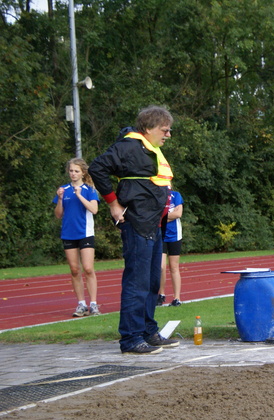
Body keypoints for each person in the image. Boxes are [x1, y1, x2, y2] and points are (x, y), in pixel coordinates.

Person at [89, 105, 180, 354]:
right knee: (137, 282)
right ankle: (130, 338)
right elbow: (97, 168)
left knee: (152, 282)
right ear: (149, 128)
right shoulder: (128, 146)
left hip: (154, 223)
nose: (168, 135)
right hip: (137, 222)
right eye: (165, 130)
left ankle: (148, 331)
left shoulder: (151, 150)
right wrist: (113, 204)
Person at [53, 158, 100, 317]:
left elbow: (94, 210)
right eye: (71, 171)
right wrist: (59, 199)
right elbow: (58, 215)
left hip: (85, 233)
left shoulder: (89, 189)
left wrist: (79, 195)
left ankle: (93, 304)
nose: (73, 174)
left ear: (83, 172)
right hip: (68, 233)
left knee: (88, 268)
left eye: (76, 171)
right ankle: (81, 304)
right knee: (74, 270)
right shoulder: (63, 189)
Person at [157, 190, 184, 306]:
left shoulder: (176, 195)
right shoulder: (157, 194)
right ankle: (161, 294)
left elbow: (178, 214)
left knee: (174, 267)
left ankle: (177, 298)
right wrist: (169, 216)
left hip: (175, 235)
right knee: (161, 266)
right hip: (161, 235)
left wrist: (162, 218)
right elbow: (153, 215)